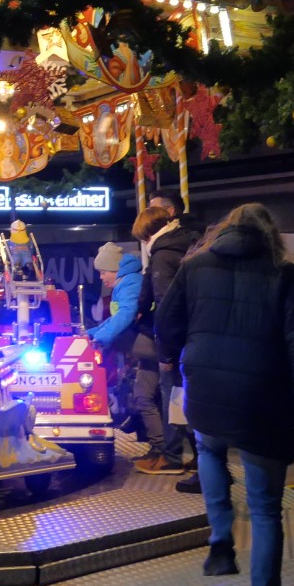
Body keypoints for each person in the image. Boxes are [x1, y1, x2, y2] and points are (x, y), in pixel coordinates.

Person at [155, 203, 294, 586]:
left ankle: (220, 540)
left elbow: (165, 325)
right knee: (268, 510)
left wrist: (176, 354)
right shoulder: (284, 275)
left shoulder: (194, 267)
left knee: (209, 450)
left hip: (206, 387)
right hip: (262, 397)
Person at [135, 198, 197, 476]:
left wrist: (166, 353)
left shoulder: (162, 255)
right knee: (188, 397)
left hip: (176, 341)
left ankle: (172, 457)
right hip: (195, 336)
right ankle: (198, 456)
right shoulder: (187, 246)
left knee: (173, 397)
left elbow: (166, 306)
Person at [88, 242, 143, 447]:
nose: (101, 278)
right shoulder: (125, 283)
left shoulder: (129, 284)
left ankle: (161, 447)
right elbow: (115, 318)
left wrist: (101, 338)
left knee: (141, 393)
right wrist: (93, 333)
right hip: (136, 345)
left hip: (144, 344)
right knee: (138, 391)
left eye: (103, 272)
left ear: (114, 269)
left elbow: (126, 314)